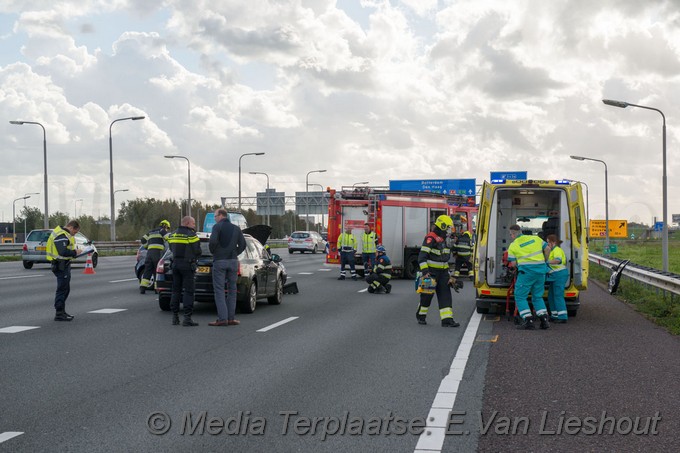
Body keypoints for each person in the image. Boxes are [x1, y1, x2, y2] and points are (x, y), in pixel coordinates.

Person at [416, 215, 460, 327]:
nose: (450, 229)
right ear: (443, 225)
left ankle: (447, 320)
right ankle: (421, 315)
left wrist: (449, 275)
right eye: (449, 227)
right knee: (426, 297)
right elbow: (422, 257)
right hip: (430, 272)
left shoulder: (445, 239)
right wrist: (425, 272)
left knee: (445, 295)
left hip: (443, 273)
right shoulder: (430, 238)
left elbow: (444, 260)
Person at [507, 224, 551, 330]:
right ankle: (544, 320)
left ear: (513, 234)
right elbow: (548, 249)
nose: (511, 236)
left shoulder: (513, 245)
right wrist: (544, 261)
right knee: (537, 296)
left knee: (520, 296)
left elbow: (512, 264)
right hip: (541, 271)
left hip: (527, 273)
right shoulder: (536, 238)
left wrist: (517, 265)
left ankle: (528, 320)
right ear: (521, 231)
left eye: (510, 234)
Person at [208, 208, 246, 327]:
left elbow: (213, 242)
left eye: (215, 216)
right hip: (233, 261)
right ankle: (231, 318)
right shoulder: (236, 228)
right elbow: (243, 244)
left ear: (220, 215)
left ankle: (222, 319)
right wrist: (234, 253)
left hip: (220, 261)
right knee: (232, 290)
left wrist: (215, 253)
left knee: (219, 290)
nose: (215, 219)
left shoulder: (217, 227)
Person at [167, 216, 202, 326]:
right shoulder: (191, 235)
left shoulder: (172, 234)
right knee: (188, 291)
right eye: (193, 223)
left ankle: (175, 317)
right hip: (187, 265)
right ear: (187, 223)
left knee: (175, 291)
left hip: (175, 264)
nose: (194, 226)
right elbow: (198, 251)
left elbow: (171, 248)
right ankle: (187, 318)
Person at [46, 220, 83, 321]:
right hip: (60, 265)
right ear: (71, 227)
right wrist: (75, 252)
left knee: (65, 289)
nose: (74, 234)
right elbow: (62, 251)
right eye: (75, 232)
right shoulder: (61, 235)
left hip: (63, 264)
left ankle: (62, 311)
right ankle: (59, 313)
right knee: (62, 289)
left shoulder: (64, 234)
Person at [139, 220, 171, 294]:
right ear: (165, 226)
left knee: (147, 270)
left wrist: (146, 246)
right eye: (167, 228)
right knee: (157, 271)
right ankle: (157, 289)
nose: (167, 229)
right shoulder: (162, 230)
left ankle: (142, 288)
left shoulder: (151, 232)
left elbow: (143, 239)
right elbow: (168, 238)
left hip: (149, 253)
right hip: (157, 253)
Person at [546, 234, 568, 323]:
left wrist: (546, 261)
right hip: (555, 276)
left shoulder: (557, 250)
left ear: (553, 242)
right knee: (551, 296)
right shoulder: (552, 250)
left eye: (548, 243)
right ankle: (554, 315)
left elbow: (557, 260)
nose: (547, 245)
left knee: (558, 295)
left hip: (560, 275)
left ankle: (562, 317)